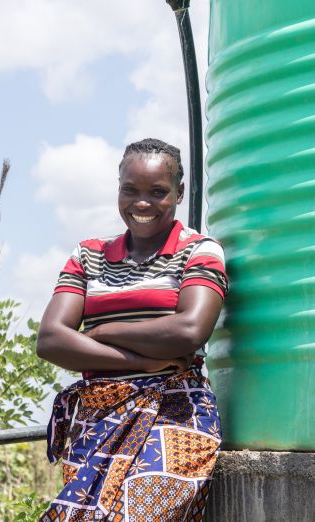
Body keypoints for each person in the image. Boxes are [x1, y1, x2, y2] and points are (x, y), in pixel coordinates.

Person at [37, 138, 228, 521]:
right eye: (130, 190)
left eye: (157, 192)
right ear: (118, 189)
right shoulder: (88, 255)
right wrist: (144, 360)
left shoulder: (199, 250)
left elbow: (190, 331)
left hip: (177, 413)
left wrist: (104, 330)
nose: (142, 203)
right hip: (99, 415)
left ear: (179, 193)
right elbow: (51, 339)